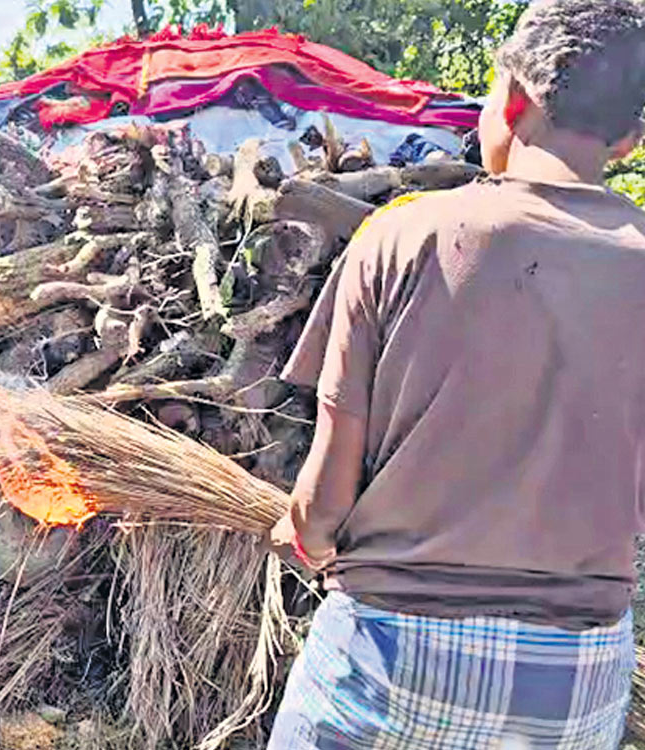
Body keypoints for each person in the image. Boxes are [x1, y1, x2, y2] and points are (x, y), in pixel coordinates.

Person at [267, 0, 645, 746]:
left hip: (388, 659)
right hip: (573, 677)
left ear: (510, 98)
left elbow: (328, 488)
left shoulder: (402, 235)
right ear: (631, 139)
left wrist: (303, 535)